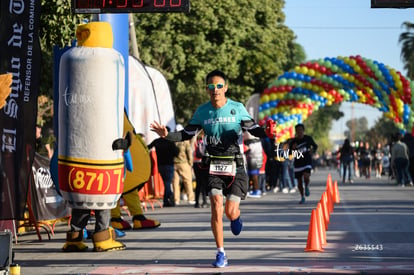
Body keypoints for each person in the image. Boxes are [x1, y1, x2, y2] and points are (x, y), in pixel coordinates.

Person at [150, 70, 273, 268]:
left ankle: (236, 216)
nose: (215, 90)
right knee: (216, 206)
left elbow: (253, 128)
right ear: (207, 89)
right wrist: (167, 135)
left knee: (230, 212)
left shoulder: (237, 108)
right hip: (213, 166)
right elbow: (186, 134)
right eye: (210, 87)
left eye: (218, 86)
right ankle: (220, 252)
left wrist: (266, 131)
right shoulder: (202, 112)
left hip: (236, 166)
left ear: (225, 88)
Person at [147, 127, 179, 207]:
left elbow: (148, 147)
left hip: (160, 165)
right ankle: (167, 200)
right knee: (167, 183)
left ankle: (167, 200)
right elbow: (176, 153)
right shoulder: (170, 142)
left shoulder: (157, 141)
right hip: (169, 164)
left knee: (166, 183)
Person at [289, 123, 318, 204]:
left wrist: (313, 151)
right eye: (298, 130)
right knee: (299, 182)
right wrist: (293, 149)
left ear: (303, 131)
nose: (299, 132)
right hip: (298, 162)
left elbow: (315, 146)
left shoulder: (308, 138)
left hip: (307, 160)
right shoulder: (293, 141)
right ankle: (302, 197)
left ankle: (307, 186)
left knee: (306, 176)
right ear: (296, 132)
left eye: (301, 130)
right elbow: (290, 153)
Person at [172, 124, 196, 205]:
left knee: (175, 183)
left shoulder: (172, 140)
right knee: (188, 181)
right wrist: (190, 163)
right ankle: (190, 198)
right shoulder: (185, 141)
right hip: (184, 163)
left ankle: (176, 200)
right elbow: (189, 152)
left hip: (174, 163)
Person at [244, 131, 264, 198]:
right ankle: (254, 190)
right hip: (254, 156)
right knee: (252, 174)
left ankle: (256, 190)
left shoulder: (250, 134)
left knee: (253, 175)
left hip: (254, 156)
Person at [193, 131, 209, 208]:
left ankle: (196, 202)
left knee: (198, 183)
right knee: (204, 183)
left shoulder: (193, 141)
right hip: (203, 163)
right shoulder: (205, 140)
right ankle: (204, 202)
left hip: (195, 163)